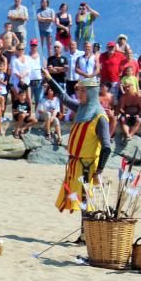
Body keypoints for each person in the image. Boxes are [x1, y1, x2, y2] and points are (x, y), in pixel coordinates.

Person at [42, 70, 111, 240]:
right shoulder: (82, 108)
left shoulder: (100, 117)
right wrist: (50, 79)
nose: (78, 93)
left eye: (82, 91)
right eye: (79, 90)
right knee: (80, 199)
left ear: (91, 92)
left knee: (87, 201)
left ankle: (87, 234)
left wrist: (100, 170)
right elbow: (64, 97)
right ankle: (84, 234)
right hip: (76, 165)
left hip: (88, 166)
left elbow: (107, 147)